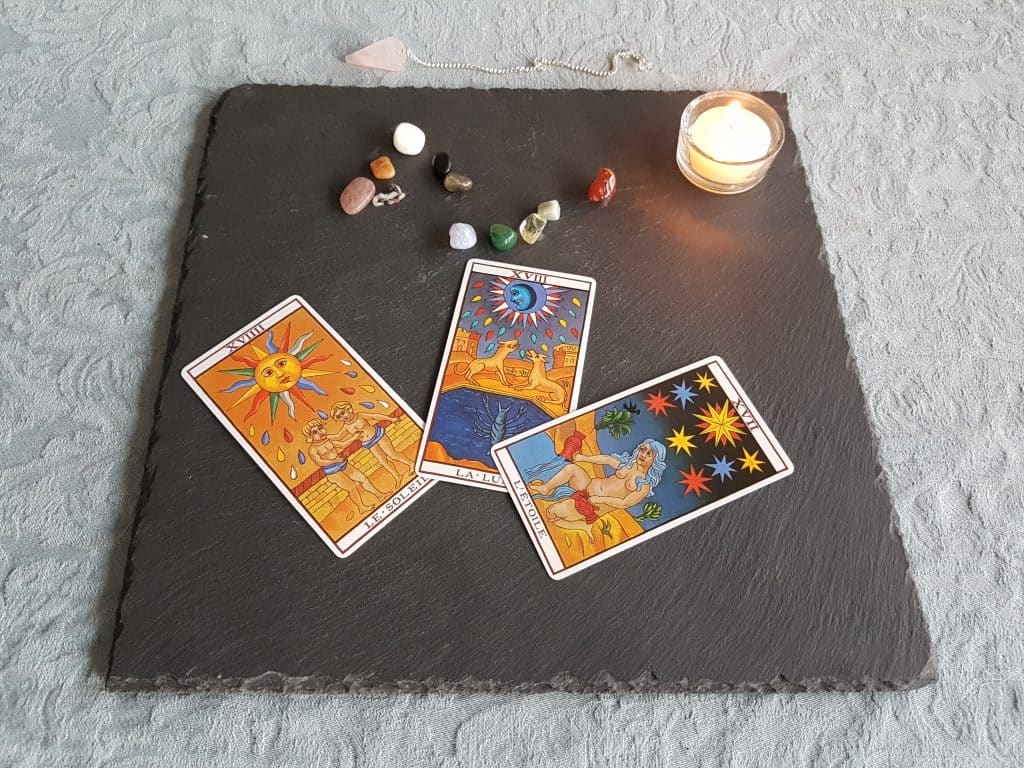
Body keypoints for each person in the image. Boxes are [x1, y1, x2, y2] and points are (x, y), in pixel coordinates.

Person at [529, 438, 666, 544]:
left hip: (591, 505)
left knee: (551, 512)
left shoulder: (644, 485)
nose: (643, 454)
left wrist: (599, 499)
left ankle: (581, 525)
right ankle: (546, 488)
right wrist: (584, 458)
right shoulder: (629, 464)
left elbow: (625, 503)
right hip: (586, 487)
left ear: (656, 460)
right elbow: (607, 459)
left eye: (649, 453)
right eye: (643, 449)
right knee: (572, 469)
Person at [302, 418, 383, 513]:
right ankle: (361, 507)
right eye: (315, 432)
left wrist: (354, 437)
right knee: (351, 487)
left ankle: (379, 495)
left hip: (342, 463)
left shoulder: (328, 440)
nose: (320, 432)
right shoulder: (313, 449)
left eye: (320, 428)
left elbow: (343, 444)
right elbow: (319, 461)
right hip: (332, 471)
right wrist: (334, 461)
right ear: (310, 437)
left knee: (362, 478)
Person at [328, 401, 413, 485]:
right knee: (383, 461)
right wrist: (326, 437)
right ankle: (397, 476)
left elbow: (374, 416)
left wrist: (390, 419)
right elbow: (338, 436)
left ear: (349, 409)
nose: (342, 417)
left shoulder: (359, 415)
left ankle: (411, 464)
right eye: (339, 417)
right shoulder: (346, 427)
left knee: (392, 454)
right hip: (369, 443)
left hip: (378, 435)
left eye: (343, 413)